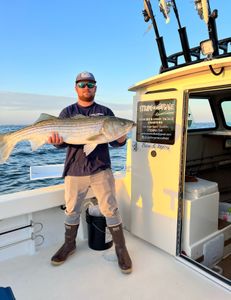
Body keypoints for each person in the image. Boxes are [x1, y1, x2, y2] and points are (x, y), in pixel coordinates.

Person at [47, 71, 132, 274]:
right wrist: (55, 142)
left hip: (101, 168)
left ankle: (121, 248)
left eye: (91, 84)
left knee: (110, 209)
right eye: (82, 84)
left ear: (96, 87)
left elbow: (116, 142)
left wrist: (122, 137)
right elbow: (62, 143)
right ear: (76, 87)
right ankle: (69, 244)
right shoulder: (67, 112)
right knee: (71, 210)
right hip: (75, 170)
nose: (87, 88)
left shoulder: (105, 111)